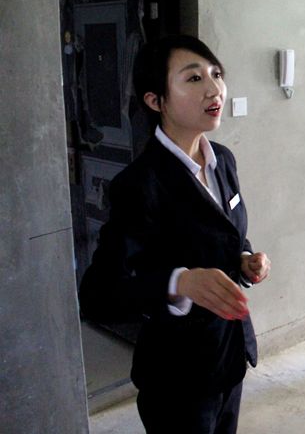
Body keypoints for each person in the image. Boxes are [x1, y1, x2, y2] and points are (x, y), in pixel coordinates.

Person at [79, 35, 270, 434]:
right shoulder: (140, 184)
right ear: (156, 101)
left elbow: (226, 235)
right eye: (194, 78)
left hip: (229, 356)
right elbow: (100, 294)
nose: (214, 89)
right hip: (177, 377)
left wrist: (244, 260)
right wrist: (179, 283)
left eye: (216, 74)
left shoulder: (223, 160)